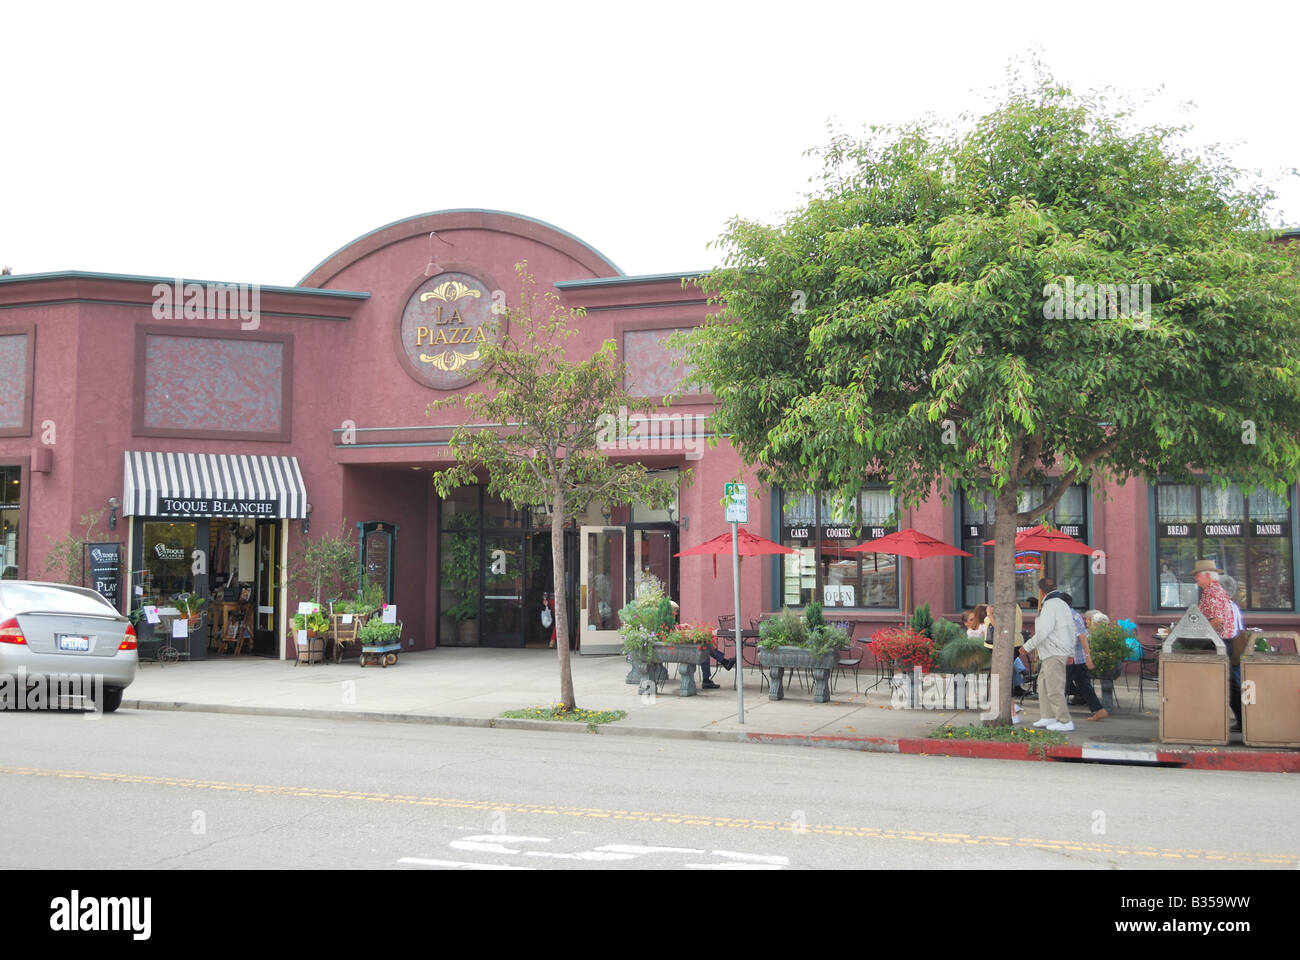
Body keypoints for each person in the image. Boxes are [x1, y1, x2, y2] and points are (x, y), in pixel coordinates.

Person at [1023, 576, 1076, 731]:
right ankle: (1048, 717)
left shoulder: (1050, 605)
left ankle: (1065, 721)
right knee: (1044, 685)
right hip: (1055, 651)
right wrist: (1071, 651)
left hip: (1053, 651)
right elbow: (1072, 629)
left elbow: (1043, 632)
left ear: (1040, 591)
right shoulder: (1062, 604)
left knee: (1053, 688)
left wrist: (1027, 646)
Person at [1061, 593, 1106, 721]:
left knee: (1062, 685)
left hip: (1073, 657)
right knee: (1083, 685)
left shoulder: (1069, 616)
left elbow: (1081, 636)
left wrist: (1088, 656)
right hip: (1077, 657)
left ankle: (1059, 715)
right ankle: (1099, 710)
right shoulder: (1074, 614)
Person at [1220, 573, 1248, 732]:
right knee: (1236, 686)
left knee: (1235, 688)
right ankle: (1243, 721)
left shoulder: (1226, 606)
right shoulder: (1232, 605)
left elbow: (1227, 633)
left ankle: (1244, 722)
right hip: (1236, 646)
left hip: (1232, 648)